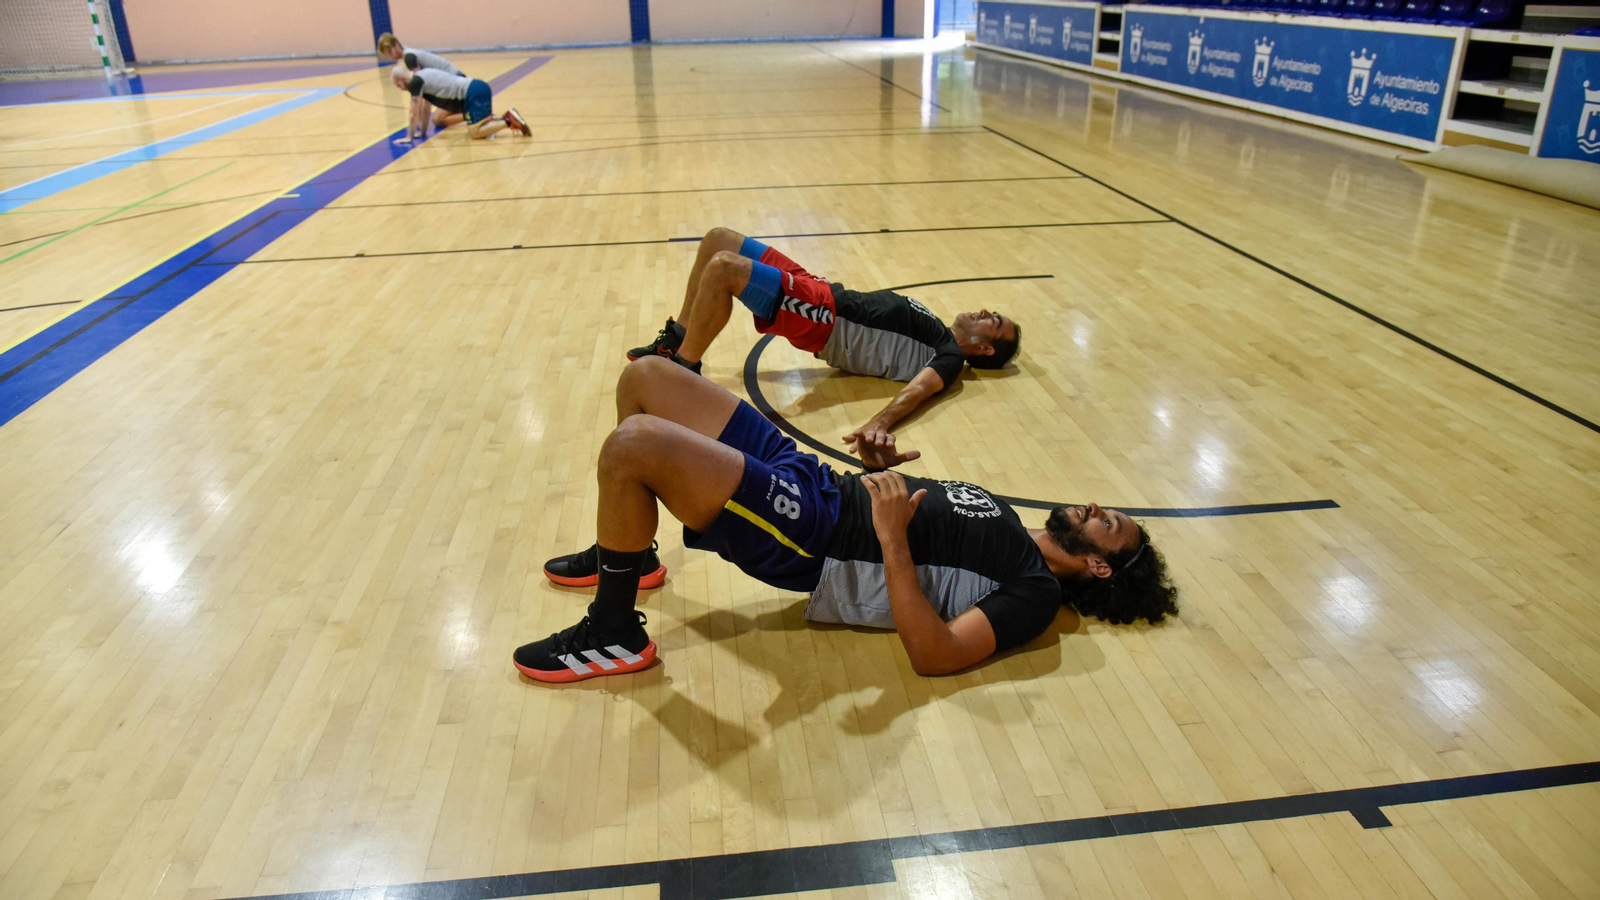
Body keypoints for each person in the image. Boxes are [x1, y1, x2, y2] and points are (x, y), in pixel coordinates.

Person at [514, 357, 1177, 684]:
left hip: (818, 536)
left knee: (635, 445)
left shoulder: (1034, 596)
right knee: (648, 377)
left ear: (1097, 563)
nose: (1093, 508)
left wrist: (890, 537)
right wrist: (879, 464)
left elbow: (935, 655)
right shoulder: (1007, 515)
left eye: (1106, 523)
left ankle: (614, 630)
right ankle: (631, 559)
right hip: (819, 481)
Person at [628, 227, 1021, 466]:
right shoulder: (935, 328)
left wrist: (879, 423)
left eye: (994, 322)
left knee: (724, 269)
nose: (987, 312)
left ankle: (681, 371)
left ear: (985, 350)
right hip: (823, 292)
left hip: (824, 315)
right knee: (718, 240)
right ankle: (674, 343)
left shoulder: (949, 356)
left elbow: (920, 390)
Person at [390, 67, 529, 142]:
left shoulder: (415, 82)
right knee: (483, 130)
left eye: (399, 85)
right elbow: (425, 108)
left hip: (472, 92)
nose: (401, 88)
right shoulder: (422, 77)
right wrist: (422, 132)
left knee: (475, 133)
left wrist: (409, 137)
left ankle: (508, 121)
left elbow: (413, 113)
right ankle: (507, 118)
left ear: (403, 78)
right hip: (477, 88)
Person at [377, 33, 471, 130]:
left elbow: (420, 91)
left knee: (438, 119)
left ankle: (474, 115)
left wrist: (417, 119)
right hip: (456, 82)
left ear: (396, 44)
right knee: (439, 116)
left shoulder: (410, 57)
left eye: (390, 51)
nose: (390, 55)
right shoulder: (409, 54)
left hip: (457, 83)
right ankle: (471, 112)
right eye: (387, 54)